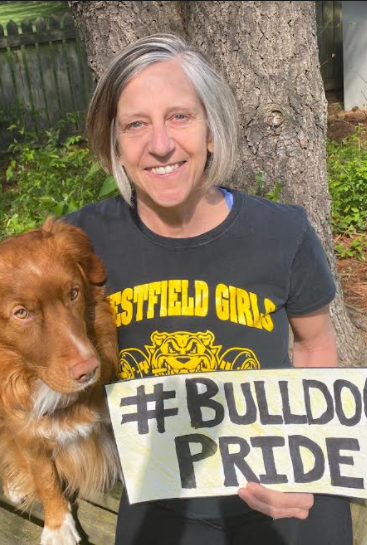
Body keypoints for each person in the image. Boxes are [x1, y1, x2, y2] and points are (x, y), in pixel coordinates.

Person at [66, 33, 352, 545]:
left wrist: (308, 457)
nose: (159, 143)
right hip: (161, 508)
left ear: (212, 130)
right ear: (115, 146)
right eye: (135, 124)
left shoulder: (282, 233)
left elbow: (313, 345)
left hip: (284, 500)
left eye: (180, 116)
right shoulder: (77, 246)